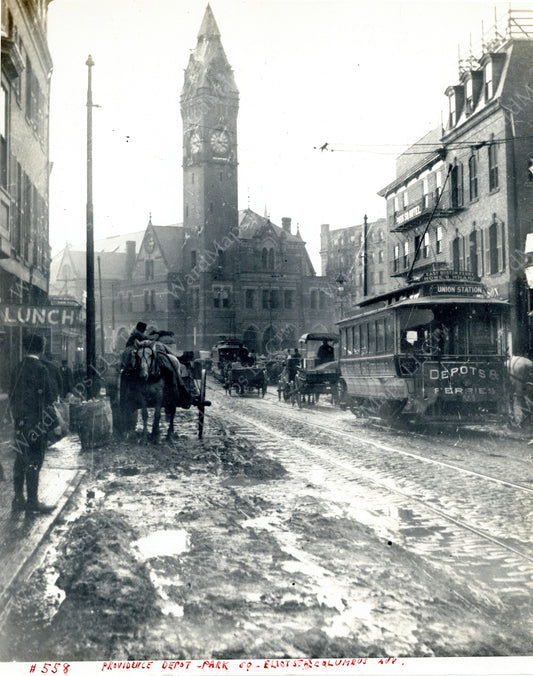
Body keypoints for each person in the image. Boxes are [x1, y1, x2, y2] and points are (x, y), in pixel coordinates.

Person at [9, 334, 59, 514]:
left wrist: (17, 418)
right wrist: (55, 425)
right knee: (35, 460)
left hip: (20, 423)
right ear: (42, 348)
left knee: (20, 459)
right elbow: (49, 399)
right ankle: (32, 501)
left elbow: (12, 396)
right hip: (37, 423)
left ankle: (17, 498)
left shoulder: (17, 368)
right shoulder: (41, 369)